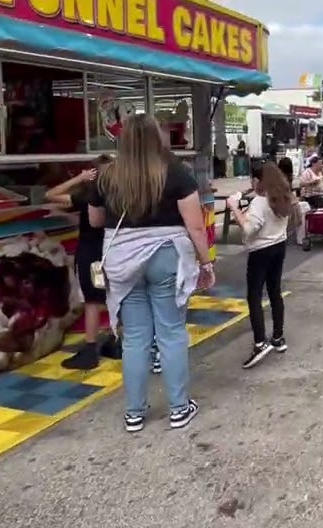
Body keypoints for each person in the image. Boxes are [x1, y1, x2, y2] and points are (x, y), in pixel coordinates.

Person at [87, 114, 215, 433]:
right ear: (157, 137)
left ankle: (134, 412)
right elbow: (195, 224)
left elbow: (94, 220)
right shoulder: (175, 171)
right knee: (171, 332)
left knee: (135, 338)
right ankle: (178, 408)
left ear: (123, 139)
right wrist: (206, 262)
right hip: (167, 256)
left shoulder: (106, 176)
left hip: (123, 261)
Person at [46, 155, 113, 370]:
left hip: (91, 256)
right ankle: (115, 341)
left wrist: (78, 179)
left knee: (92, 301)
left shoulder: (88, 197)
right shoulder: (119, 196)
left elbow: (50, 194)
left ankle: (90, 349)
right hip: (112, 253)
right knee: (112, 295)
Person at [226, 162, 292, 368]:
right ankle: (278, 337)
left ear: (258, 180)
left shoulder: (260, 202)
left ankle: (260, 343)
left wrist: (234, 206)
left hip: (260, 252)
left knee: (254, 296)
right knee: (274, 291)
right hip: (279, 246)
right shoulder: (282, 197)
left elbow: (248, 229)